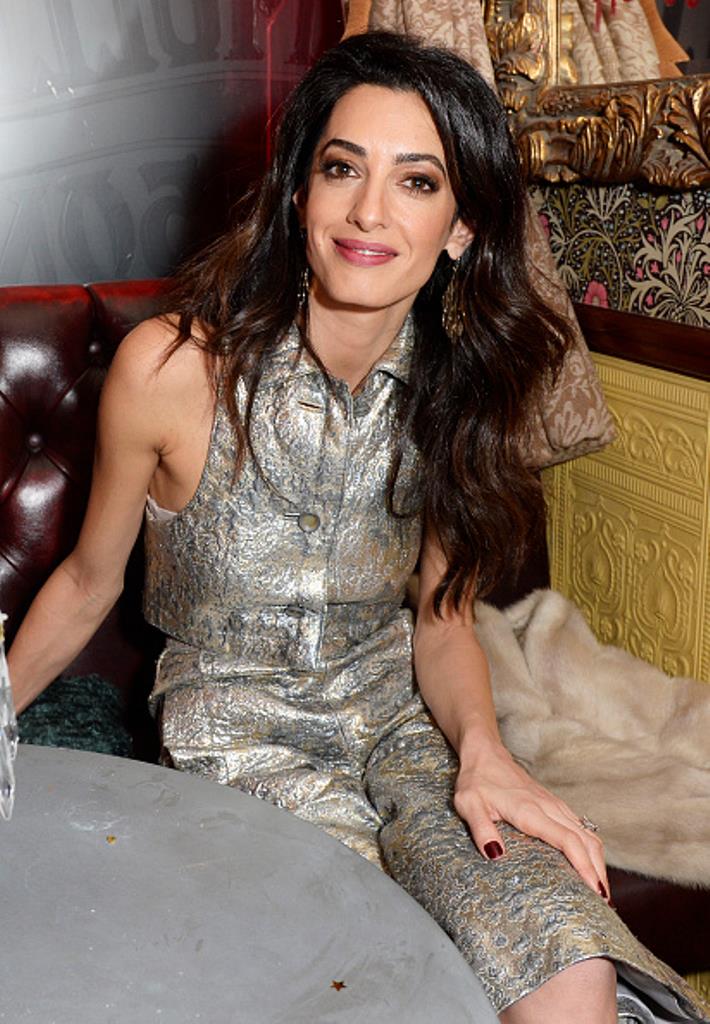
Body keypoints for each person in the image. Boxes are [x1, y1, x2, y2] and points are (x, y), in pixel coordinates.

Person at [8, 31, 707, 1024]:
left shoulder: (465, 389)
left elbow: (444, 618)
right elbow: (87, 582)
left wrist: (484, 754)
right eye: (342, 168)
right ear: (300, 194)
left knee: (570, 975)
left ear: (460, 226)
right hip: (234, 745)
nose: (369, 211)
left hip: (400, 729)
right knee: (380, 980)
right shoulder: (170, 368)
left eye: (416, 181)